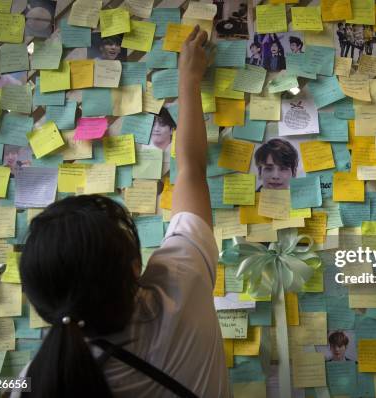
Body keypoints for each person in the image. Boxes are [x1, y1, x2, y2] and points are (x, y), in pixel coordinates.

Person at [15, 26, 229, 398]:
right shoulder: (179, 290)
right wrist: (189, 78)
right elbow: (191, 169)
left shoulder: (32, 382)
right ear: (135, 269)